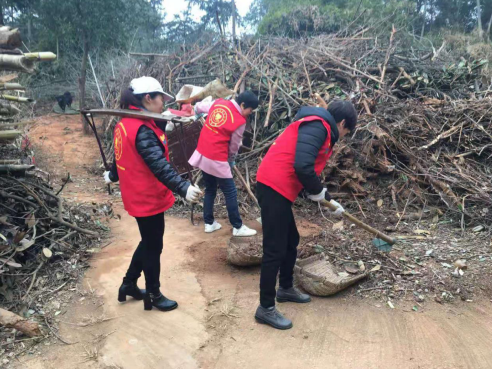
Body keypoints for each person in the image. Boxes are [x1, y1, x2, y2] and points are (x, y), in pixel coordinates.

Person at [253, 100, 358, 329]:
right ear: (342, 123)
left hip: (279, 187)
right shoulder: (319, 126)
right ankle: (265, 308)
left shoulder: (318, 125)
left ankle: (286, 288)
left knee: (291, 240)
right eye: (346, 131)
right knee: (274, 249)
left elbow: (304, 170)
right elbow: (302, 166)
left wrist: (328, 199)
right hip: (273, 186)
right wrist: (318, 191)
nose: (343, 136)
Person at [103, 76, 202, 312]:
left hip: (137, 194)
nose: (162, 104)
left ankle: (128, 284)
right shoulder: (141, 129)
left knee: (148, 242)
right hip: (147, 197)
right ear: (147, 98)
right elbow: (158, 165)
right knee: (153, 246)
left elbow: (121, 154)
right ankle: (154, 294)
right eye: (160, 99)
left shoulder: (124, 124)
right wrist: (183, 187)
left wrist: (113, 176)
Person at [188, 91, 259, 237]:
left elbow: (200, 106)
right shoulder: (239, 120)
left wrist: (195, 111)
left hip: (203, 152)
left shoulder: (219, 103)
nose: (249, 114)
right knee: (230, 192)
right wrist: (231, 159)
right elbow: (234, 145)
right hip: (217, 157)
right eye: (249, 110)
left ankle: (209, 223)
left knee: (210, 188)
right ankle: (237, 226)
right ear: (243, 105)